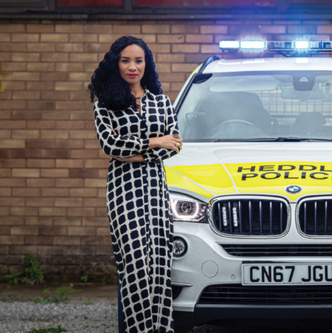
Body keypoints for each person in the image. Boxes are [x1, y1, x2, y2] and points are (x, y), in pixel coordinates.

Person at [88, 35, 183, 333]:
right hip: (122, 192)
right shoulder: (105, 103)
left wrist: (136, 151)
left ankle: (160, 328)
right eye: (125, 60)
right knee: (134, 263)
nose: (132, 67)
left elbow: (176, 144)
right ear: (115, 63)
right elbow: (111, 146)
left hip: (155, 190)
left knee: (158, 262)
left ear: (147, 64)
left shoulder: (161, 102)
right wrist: (155, 141)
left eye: (138, 60)